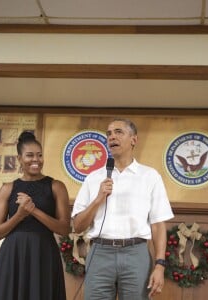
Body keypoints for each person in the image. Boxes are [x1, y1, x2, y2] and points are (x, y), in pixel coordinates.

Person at [72, 118, 174, 300]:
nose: (112, 137)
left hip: (136, 253)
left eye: (118, 132)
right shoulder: (93, 178)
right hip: (100, 252)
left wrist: (160, 264)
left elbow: (158, 224)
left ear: (134, 139)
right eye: (109, 133)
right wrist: (98, 199)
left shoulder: (150, 176)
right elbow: (78, 226)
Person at [0, 131, 70, 300]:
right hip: (13, 255)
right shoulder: (7, 189)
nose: (36, 160)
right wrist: (19, 215)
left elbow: (64, 229)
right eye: (29, 155)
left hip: (43, 253)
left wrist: (34, 211)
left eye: (39, 155)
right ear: (19, 159)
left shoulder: (56, 186)